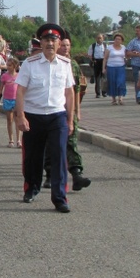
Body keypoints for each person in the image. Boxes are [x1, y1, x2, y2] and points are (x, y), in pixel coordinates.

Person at [15, 23, 75, 213]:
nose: (50, 43)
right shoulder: (29, 64)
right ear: (40, 43)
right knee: (33, 157)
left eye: (54, 40)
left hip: (57, 115)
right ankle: (31, 188)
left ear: (59, 43)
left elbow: (70, 93)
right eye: (46, 40)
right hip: (33, 115)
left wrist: (70, 119)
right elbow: (20, 91)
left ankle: (59, 198)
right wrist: (20, 116)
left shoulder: (65, 65)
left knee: (59, 157)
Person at [42, 34, 92, 191]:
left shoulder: (73, 65)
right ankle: (50, 175)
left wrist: (77, 110)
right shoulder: (47, 62)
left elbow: (76, 90)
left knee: (71, 142)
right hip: (52, 110)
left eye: (67, 45)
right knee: (50, 144)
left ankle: (77, 174)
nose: (65, 48)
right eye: (62, 45)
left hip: (67, 109)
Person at [0, 57, 20, 147]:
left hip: (16, 100)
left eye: (10, 65)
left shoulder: (19, 76)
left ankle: (18, 140)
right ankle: (11, 140)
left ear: (15, 66)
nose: (8, 67)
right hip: (7, 99)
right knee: (9, 120)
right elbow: (0, 89)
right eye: (7, 65)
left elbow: (22, 89)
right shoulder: (4, 76)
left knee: (17, 120)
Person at [104, 32, 127, 105]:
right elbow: (105, 58)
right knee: (112, 82)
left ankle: (120, 98)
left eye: (119, 39)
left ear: (122, 41)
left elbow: (126, 56)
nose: (117, 40)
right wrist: (103, 68)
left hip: (121, 67)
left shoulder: (123, 47)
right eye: (116, 39)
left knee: (120, 82)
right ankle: (114, 99)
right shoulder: (109, 47)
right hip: (111, 67)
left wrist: (127, 59)